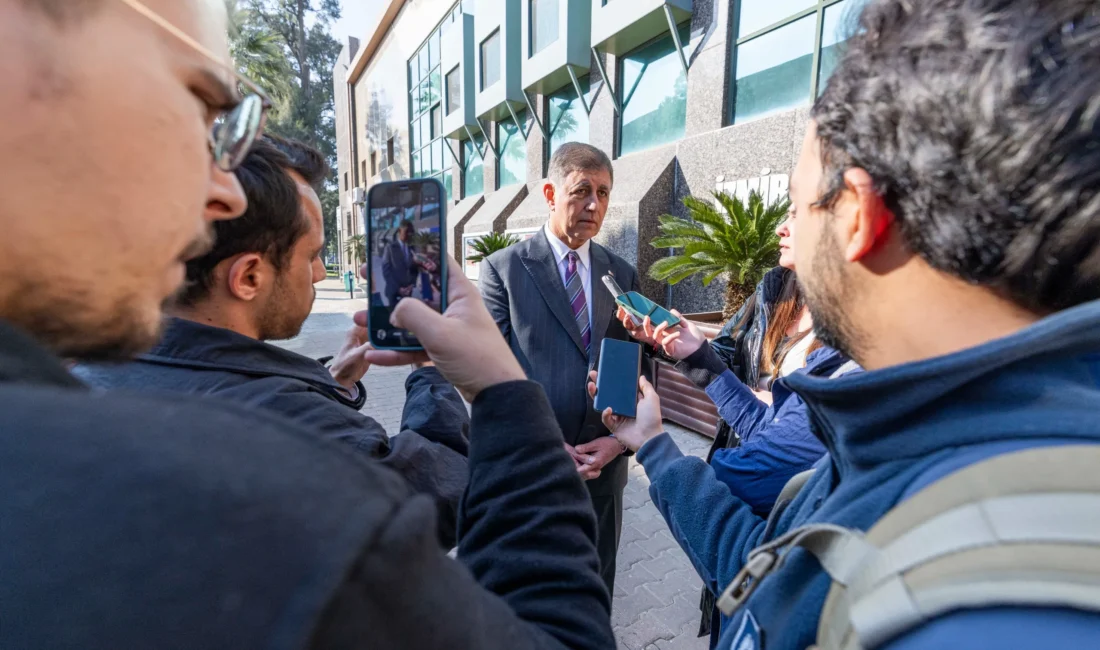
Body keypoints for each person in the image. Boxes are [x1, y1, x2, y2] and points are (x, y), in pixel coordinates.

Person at [0, 1, 615, 648]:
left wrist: (334, 385)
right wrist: (501, 393)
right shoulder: (308, 512)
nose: (224, 191)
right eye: (203, 108)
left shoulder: (78, 389)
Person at [599, 0, 1100, 647]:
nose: (789, 233)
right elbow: (772, 575)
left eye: (800, 206)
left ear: (860, 216)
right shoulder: (898, 425)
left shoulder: (977, 614)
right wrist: (686, 383)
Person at [74, 135, 471, 546]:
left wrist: (334, 381)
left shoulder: (81, 374)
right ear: (249, 277)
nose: (319, 273)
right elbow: (444, 492)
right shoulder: (290, 421)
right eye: (312, 254)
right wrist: (428, 367)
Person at [480, 142, 644, 597]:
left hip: (604, 473)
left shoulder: (623, 274)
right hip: (532, 472)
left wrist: (617, 443)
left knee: (595, 592)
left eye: (604, 193)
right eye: (582, 191)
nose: (595, 204)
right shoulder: (504, 270)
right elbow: (486, 379)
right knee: (531, 597)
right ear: (551, 193)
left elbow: (637, 366)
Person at [382, 219, 419, 306]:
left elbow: (414, 269)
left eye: (411, 232)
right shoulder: (390, 248)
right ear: (399, 230)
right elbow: (386, 271)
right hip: (394, 292)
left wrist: (412, 285)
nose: (409, 234)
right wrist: (399, 289)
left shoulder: (412, 248)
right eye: (407, 231)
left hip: (408, 292)